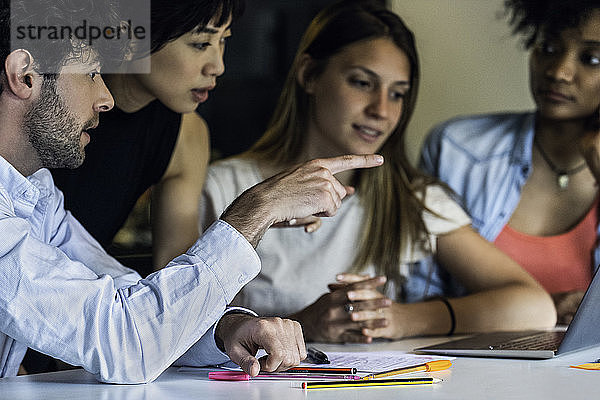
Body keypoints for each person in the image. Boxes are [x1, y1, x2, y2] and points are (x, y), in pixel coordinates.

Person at [0, 0, 383, 382]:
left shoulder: (35, 191)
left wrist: (224, 329)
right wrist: (256, 210)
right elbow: (124, 340)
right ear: (25, 76)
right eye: (91, 73)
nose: (107, 97)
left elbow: (125, 299)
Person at [200, 0, 556, 344]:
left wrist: (400, 319)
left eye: (398, 94)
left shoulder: (409, 198)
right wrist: (304, 325)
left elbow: (534, 307)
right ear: (309, 74)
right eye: (362, 83)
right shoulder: (225, 186)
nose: (381, 110)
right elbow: (184, 324)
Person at [420, 0, 600, 325]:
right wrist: (536, 309)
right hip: (471, 366)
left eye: (591, 58)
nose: (558, 71)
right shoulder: (456, 148)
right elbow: (416, 298)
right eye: (547, 47)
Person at [50, 0, 237, 272]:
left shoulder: (186, 135)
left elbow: (177, 280)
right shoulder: (45, 104)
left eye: (224, 40)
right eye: (200, 44)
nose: (217, 66)